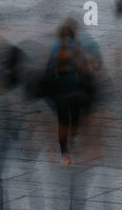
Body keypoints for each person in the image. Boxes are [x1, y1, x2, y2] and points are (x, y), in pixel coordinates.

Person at [37, 19, 102, 166]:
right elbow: (84, 70)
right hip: (76, 90)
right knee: (75, 119)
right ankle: (73, 136)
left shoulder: (56, 48)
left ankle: (64, 154)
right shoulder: (77, 47)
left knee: (62, 121)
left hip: (60, 91)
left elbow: (48, 70)